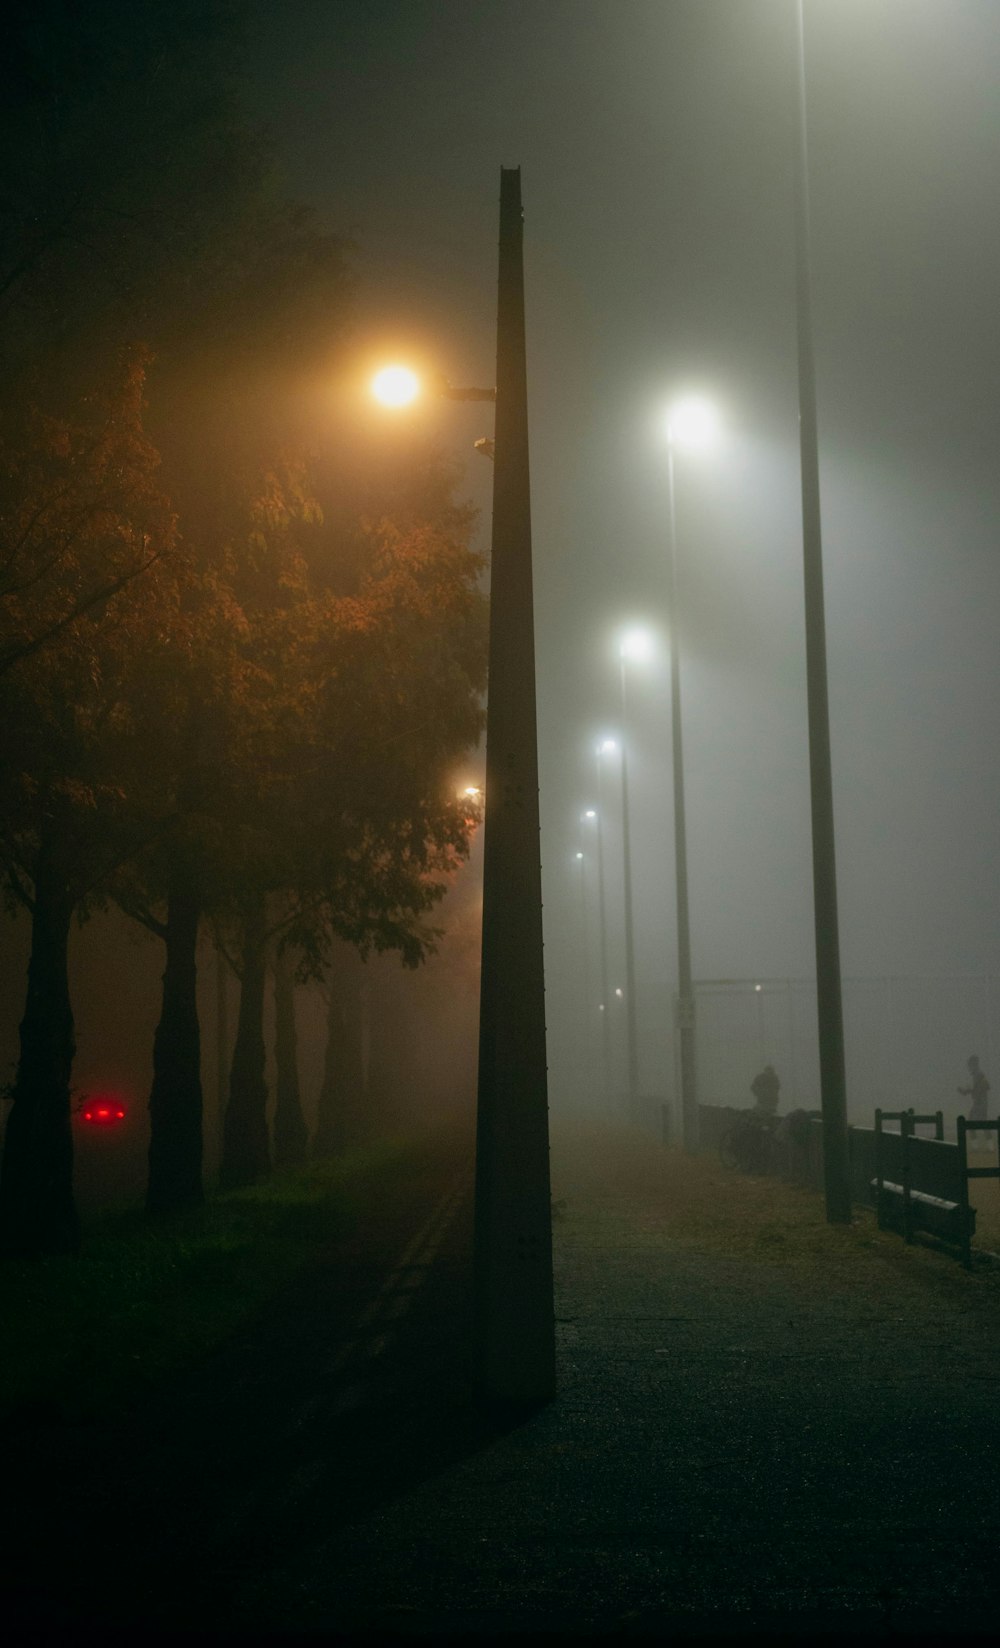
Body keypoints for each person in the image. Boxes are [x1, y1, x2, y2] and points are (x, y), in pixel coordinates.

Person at [958, 1054, 990, 1150]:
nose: (969, 1067)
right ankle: (989, 1147)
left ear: (974, 1064)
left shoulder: (979, 1075)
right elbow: (977, 1089)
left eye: (970, 1064)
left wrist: (966, 1091)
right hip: (980, 1103)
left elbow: (983, 1088)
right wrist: (967, 1091)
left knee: (972, 1125)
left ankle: (978, 1148)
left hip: (980, 1104)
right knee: (982, 1125)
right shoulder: (978, 1075)